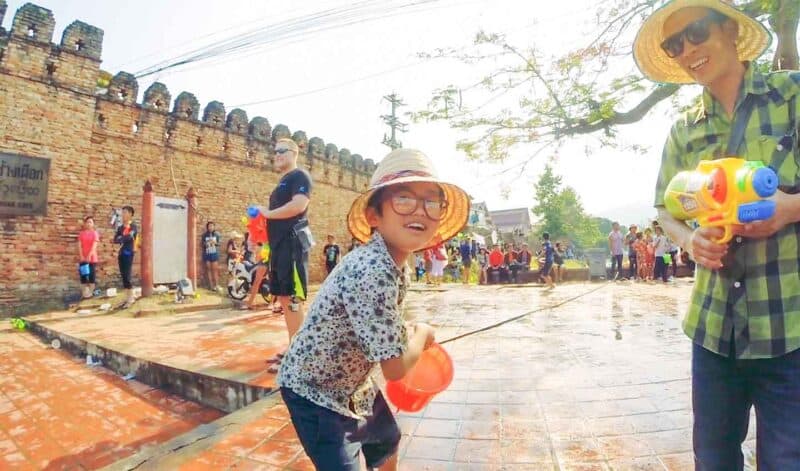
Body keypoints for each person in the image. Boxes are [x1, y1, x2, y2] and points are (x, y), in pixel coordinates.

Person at [634, 1, 800, 467]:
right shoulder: (684, 130)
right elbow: (665, 210)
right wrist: (691, 241)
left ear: (729, 30)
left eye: (697, 33)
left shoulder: (792, 96)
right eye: (674, 44)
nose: (688, 50)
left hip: (789, 327)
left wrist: (787, 209)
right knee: (713, 457)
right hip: (713, 329)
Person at [277, 148, 469, 471]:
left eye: (432, 202)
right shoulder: (372, 269)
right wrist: (420, 335)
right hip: (314, 392)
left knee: (386, 440)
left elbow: (383, 325)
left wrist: (405, 334)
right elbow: (394, 369)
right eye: (404, 199)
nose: (420, 211)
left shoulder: (395, 263)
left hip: (355, 383)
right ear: (374, 216)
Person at [256, 138, 312, 363]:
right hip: (279, 245)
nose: (276, 154)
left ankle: (300, 354)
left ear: (294, 153)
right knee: (283, 296)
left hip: (292, 244)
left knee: (292, 297)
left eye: (282, 151)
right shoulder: (283, 181)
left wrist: (267, 213)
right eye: (275, 151)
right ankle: (294, 346)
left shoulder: (300, 176)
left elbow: (299, 206)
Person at [113, 206, 138, 308]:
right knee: (123, 275)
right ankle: (127, 297)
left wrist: (122, 238)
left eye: (125, 212)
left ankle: (131, 298)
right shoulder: (120, 227)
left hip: (129, 252)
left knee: (127, 275)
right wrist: (122, 238)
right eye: (122, 212)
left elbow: (130, 237)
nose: (123, 214)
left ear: (131, 214)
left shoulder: (133, 226)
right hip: (121, 252)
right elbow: (115, 239)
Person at [77, 216, 100, 299]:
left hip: (92, 258)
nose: (89, 224)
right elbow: (79, 245)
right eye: (87, 222)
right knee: (83, 276)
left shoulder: (95, 233)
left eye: (90, 222)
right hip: (83, 258)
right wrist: (82, 256)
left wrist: (89, 255)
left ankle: (90, 294)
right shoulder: (82, 234)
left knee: (91, 276)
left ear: (93, 224)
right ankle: (84, 294)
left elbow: (94, 245)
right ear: (85, 223)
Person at [202, 221, 221, 291]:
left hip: (214, 253)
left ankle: (217, 285)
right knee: (208, 269)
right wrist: (206, 243)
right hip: (207, 254)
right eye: (209, 226)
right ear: (207, 227)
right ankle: (211, 286)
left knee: (215, 270)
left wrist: (215, 242)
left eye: (212, 226)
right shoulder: (204, 235)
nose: (211, 227)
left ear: (214, 227)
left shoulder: (217, 234)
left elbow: (219, 244)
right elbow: (202, 244)